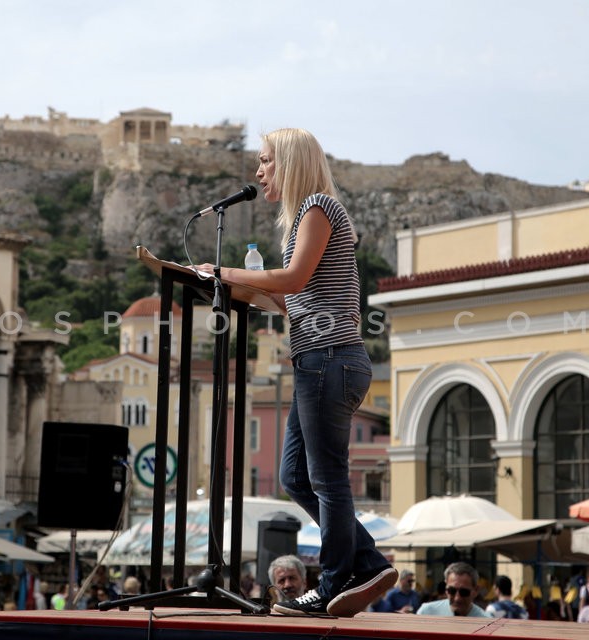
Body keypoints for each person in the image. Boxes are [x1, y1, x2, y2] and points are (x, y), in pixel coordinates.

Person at [198, 128, 396, 617]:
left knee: (327, 478)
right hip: (317, 359)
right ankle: (368, 562)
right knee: (294, 475)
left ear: (289, 162)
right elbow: (294, 296)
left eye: (266, 161)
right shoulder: (305, 218)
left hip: (330, 358)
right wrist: (251, 291)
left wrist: (225, 273)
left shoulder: (317, 208)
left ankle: (332, 583)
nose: (259, 171)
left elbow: (292, 279)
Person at [416, 562, 491, 618]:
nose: (457, 598)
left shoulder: (486, 621)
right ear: (446, 588)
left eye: (464, 592)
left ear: (476, 591)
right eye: (452, 591)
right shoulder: (427, 613)